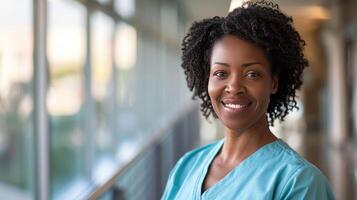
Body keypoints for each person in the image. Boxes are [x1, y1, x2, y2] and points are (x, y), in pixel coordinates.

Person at [161, 1, 335, 199]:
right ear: (206, 78)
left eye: (252, 74)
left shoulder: (299, 182)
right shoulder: (187, 166)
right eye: (220, 73)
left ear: (274, 83)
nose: (234, 87)